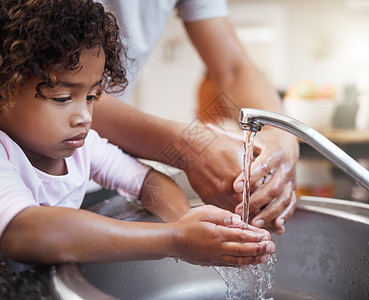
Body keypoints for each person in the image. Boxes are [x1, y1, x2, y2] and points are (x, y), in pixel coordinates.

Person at [0, 0, 275, 272]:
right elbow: (25, 230)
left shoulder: (84, 147)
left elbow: (147, 183)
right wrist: (175, 240)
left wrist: (187, 221)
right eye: (62, 98)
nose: (84, 116)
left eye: (92, 96)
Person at [94, 0, 299, 234]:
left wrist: (280, 134)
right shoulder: (81, 130)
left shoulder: (107, 162)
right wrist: (188, 146)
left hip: (105, 165)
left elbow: (234, 69)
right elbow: (57, 90)